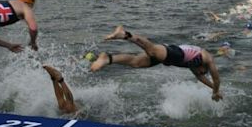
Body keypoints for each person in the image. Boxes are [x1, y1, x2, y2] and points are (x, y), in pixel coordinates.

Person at [91, 26, 222, 102]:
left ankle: (107, 58)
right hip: (176, 52)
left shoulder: (196, 68)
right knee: (152, 50)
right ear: (204, 67)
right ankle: (124, 34)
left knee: (136, 62)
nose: (200, 74)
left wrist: (214, 90)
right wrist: (215, 91)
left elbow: (202, 79)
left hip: (170, 58)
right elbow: (216, 78)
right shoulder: (207, 58)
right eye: (203, 72)